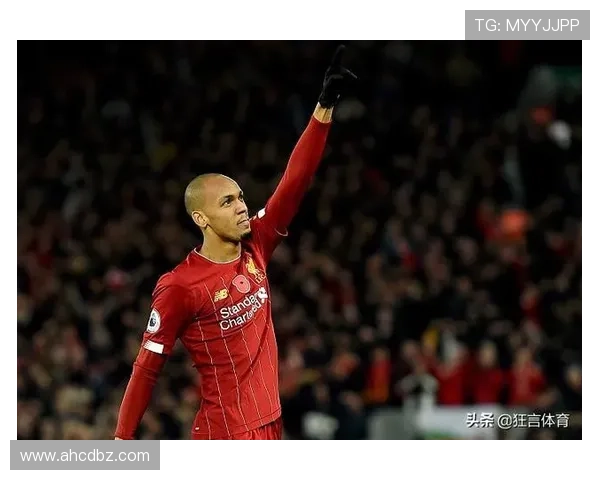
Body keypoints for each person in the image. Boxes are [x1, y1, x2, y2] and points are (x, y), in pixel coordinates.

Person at [114, 45, 356, 440]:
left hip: (269, 424)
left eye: (241, 197)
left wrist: (323, 108)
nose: (242, 206)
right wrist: (120, 444)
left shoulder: (256, 244)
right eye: (228, 202)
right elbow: (146, 368)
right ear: (201, 219)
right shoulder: (180, 286)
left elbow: (294, 183)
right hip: (226, 435)